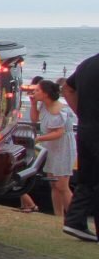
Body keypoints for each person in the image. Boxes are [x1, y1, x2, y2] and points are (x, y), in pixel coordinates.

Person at [62, 54, 98, 241]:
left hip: (86, 129)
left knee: (88, 178)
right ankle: (75, 221)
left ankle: (75, 220)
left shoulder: (87, 64)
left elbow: (67, 88)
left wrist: (82, 114)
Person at [31, 80, 75, 217]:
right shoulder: (44, 105)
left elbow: (58, 133)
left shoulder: (59, 110)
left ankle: (74, 217)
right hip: (51, 145)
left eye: (38, 90)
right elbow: (34, 119)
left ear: (46, 94)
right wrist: (33, 104)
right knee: (54, 184)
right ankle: (58, 216)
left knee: (62, 185)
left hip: (63, 146)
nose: (34, 92)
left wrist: (38, 138)